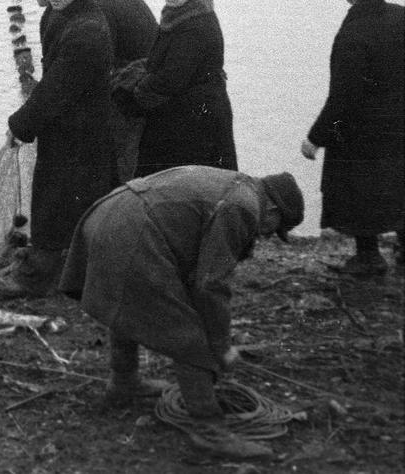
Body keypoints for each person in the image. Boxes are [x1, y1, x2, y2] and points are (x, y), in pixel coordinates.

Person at [59, 166, 303, 460]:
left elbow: (194, 266)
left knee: (132, 300)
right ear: (274, 209)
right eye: (274, 229)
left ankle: (124, 382)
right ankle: (209, 432)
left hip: (107, 213)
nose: (266, 236)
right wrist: (221, 345)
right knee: (191, 335)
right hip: (132, 229)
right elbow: (211, 285)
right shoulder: (245, 208)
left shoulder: (239, 186)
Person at [5, 0, 118, 296]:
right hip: (66, 126)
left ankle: (42, 277)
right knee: (68, 198)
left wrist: (20, 124)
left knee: (58, 198)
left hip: (83, 133)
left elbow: (56, 88)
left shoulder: (87, 31)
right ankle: (75, 269)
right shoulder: (58, 15)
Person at [300, 0, 405, 276]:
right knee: (399, 184)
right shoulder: (400, 16)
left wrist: (315, 137)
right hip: (400, 126)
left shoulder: (354, 34)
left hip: (364, 133)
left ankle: (369, 257)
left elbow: (344, 96)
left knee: (360, 189)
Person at [117, 0, 237, 178]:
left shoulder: (196, 26)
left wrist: (135, 90)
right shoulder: (179, 15)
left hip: (196, 120)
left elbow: (171, 78)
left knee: (186, 180)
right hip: (184, 111)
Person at [40, 0, 158, 181]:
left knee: (121, 142)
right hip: (140, 62)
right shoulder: (70, 11)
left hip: (138, 72)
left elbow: (90, 71)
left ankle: (120, 190)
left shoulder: (92, 20)